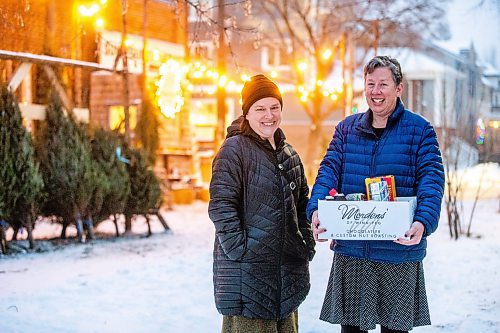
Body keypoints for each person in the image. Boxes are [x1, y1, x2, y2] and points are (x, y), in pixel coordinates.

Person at [307, 56, 445, 333]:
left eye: (383, 84)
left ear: (399, 88)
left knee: (395, 330)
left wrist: (423, 222)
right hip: (354, 252)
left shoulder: (419, 130)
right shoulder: (347, 129)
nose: (376, 91)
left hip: (398, 252)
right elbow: (328, 171)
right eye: (371, 84)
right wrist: (316, 210)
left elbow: (432, 180)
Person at [208, 74, 315, 333]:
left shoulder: (289, 154)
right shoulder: (233, 150)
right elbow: (221, 206)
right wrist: (240, 251)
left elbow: (302, 204)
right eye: (260, 109)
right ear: (247, 113)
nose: (269, 115)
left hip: (286, 275)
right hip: (248, 279)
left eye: (274, 107)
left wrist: (305, 242)